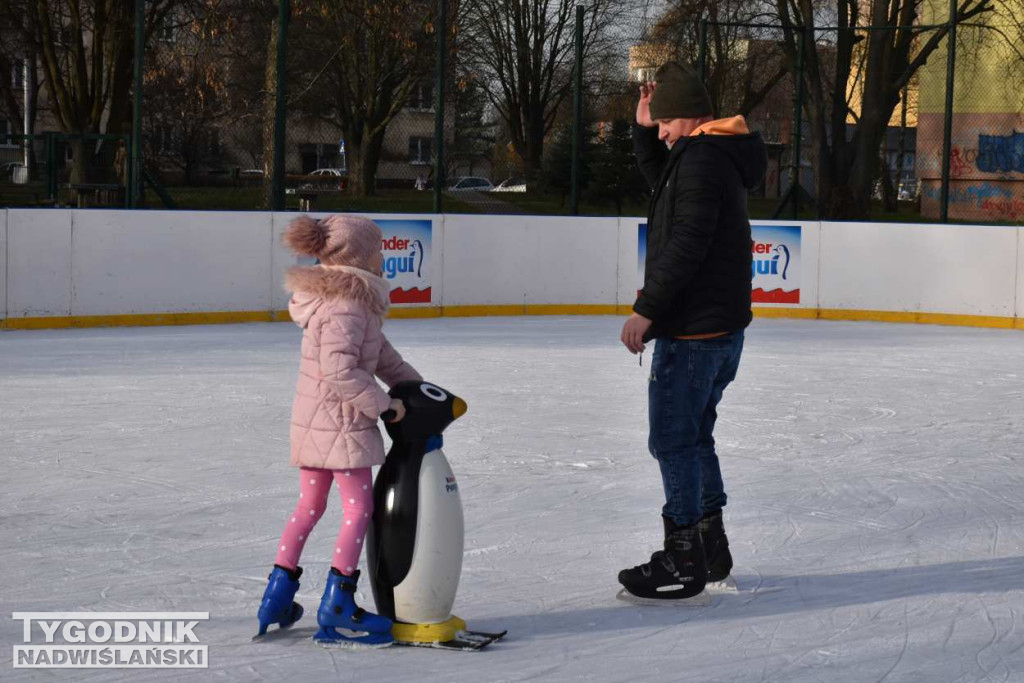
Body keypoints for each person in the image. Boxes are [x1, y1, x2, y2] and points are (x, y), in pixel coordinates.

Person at [617, 62, 767, 601]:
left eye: (664, 124)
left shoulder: (702, 162)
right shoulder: (711, 154)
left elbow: (687, 244)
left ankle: (682, 556)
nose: (660, 133)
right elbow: (665, 182)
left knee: (674, 440)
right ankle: (709, 544)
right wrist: (643, 126)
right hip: (718, 330)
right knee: (695, 436)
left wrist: (647, 310)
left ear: (690, 115)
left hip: (693, 332)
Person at [256, 214, 422, 646]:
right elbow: (342, 372)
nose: (383, 257)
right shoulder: (347, 306)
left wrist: (417, 387)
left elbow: (382, 356)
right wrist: (387, 406)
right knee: (358, 510)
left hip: (315, 422)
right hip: (341, 423)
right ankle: (338, 605)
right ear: (360, 255)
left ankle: (277, 594)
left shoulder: (343, 302)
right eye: (378, 249)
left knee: (310, 505)